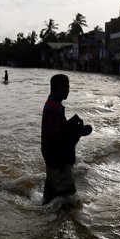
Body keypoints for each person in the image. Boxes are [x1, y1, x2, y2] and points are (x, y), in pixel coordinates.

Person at [41, 74, 92, 204]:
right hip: (59, 161)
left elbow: (59, 131)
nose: (67, 90)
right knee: (68, 201)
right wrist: (77, 133)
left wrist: (76, 129)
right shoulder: (54, 108)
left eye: (68, 87)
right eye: (64, 87)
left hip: (54, 159)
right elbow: (55, 139)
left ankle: (43, 220)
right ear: (54, 88)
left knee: (51, 199)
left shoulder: (54, 105)